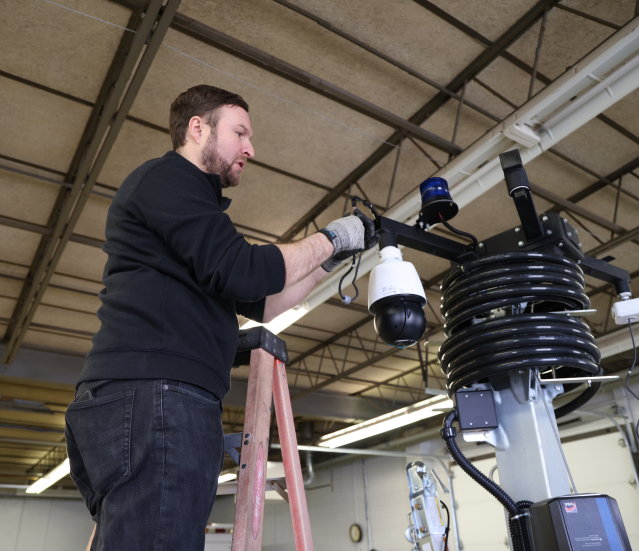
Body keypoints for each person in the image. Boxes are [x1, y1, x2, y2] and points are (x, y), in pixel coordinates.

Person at [64, 85, 378, 551]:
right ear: (197, 128)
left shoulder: (193, 217)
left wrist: (326, 264)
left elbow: (263, 301)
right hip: (156, 399)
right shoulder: (168, 179)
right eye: (240, 132)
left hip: (144, 401)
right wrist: (333, 237)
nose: (250, 148)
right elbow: (247, 270)